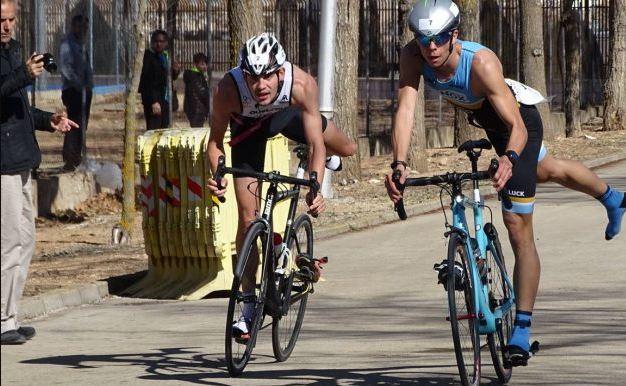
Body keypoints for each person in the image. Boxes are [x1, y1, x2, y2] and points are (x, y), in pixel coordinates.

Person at [384, 0, 624, 365]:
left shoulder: (480, 63)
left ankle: (522, 331)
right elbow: (405, 110)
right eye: (422, 38)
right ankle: (613, 197)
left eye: (439, 38)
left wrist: (510, 159)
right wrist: (399, 163)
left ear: (455, 35)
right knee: (548, 171)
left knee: (516, 222)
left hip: (517, 121)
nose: (430, 47)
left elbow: (517, 127)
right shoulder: (413, 56)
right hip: (486, 120)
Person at [206, 33, 357, 341]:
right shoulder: (228, 90)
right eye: (252, 78)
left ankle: (326, 162)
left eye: (267, 77)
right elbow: (214, 141)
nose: (260, 85)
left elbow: (316, 142)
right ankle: (248, 308)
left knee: (346, 149)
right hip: (248, 129)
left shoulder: (300, 84)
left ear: (280, 72)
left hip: (288, 116)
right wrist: (218, 175)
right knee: (248, 222)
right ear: (243, 74)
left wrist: (315, 188)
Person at [1, 0, 78, 345]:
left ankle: (11, 315)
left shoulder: (13, 51)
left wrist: (49, 120)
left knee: (27, 240)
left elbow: (17, 109)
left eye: (11, 19)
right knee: (8, 242)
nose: (7, 26)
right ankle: (2, 321)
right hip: (2, 164)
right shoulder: (14, 63)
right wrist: (22, 74)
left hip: (22, 160)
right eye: (1, 20)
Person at [59, 14, 93, 171]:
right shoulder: (67, 44)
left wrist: (88, 85)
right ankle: (70, 158)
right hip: (73, 90)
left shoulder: (83, 44)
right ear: (73, 27)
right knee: (74, 123)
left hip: (85, 90)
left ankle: (77, 156)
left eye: (85, 27)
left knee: (82, 124)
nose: (83, 30)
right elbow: (66, 68)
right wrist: (79, 85)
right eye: (80, 26)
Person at [138, 29, 181, 131]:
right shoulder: (148, 56)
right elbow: (147, 81)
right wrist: (154, 101)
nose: (159, 44)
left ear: (165, 43)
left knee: (164, 130)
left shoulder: (165, 57)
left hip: (165, 99)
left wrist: (175, 71)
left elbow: (169, 78)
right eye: (156, 41)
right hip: (154, 100)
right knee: (154, 130)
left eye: (161, 41)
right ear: (152, 42)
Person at [183, 52, 210, 127]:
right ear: (195, 64)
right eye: (202, 64)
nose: (205, 66)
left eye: (205, 64)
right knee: (197, 130)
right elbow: (202, 92)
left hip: (197, 109)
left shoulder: (199, 75)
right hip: (196, 109)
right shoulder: (195, 76)